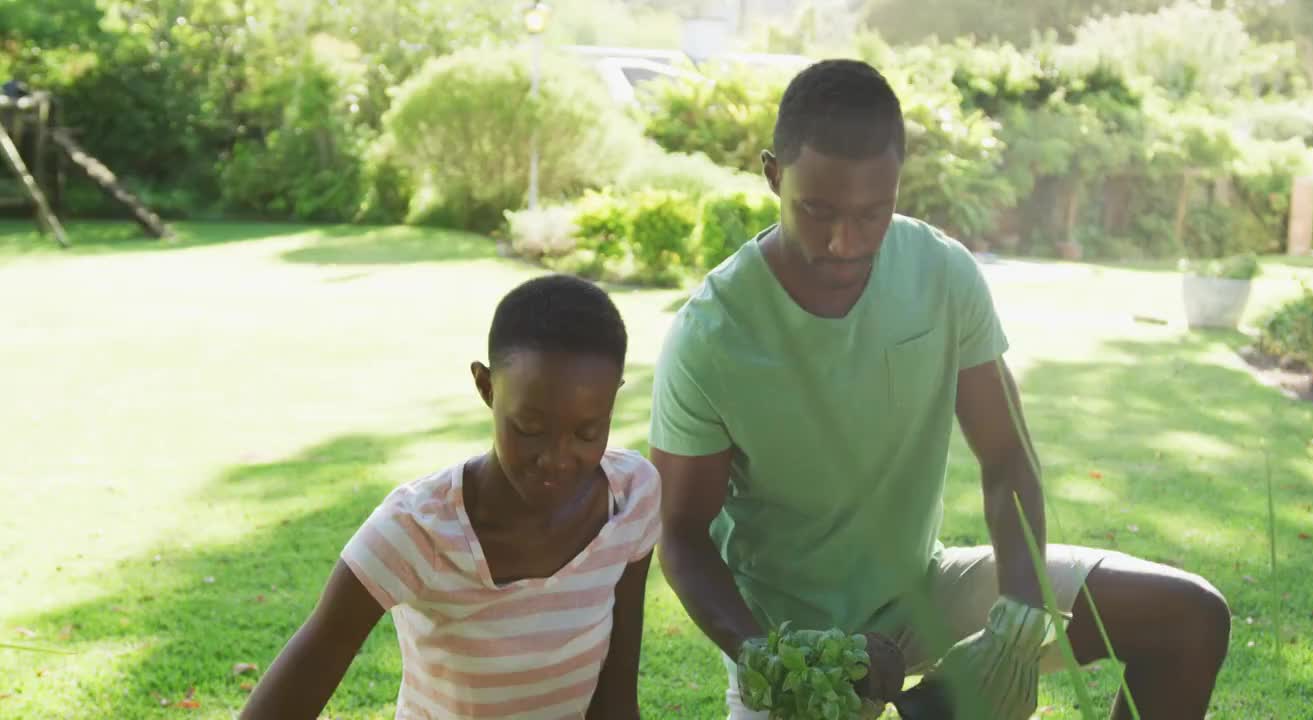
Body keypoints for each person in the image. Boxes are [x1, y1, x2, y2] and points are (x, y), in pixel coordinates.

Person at [649, 59, 1231, 720]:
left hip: (926, 590)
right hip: (799, 643)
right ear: (773, 175)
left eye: (872, 213)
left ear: (900, 183)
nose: (844, 242)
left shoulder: (942, 274)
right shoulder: (712, 334)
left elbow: (1006, 457)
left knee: (1189, 618)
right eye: (817, 211)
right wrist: (770, 656)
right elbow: (682, 535)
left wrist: (1016, 615)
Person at [241, 274, 660, 720]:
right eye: (530, 429)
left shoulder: (630, 499)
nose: (556, 459)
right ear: (486, 387)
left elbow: (616, 694)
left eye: (586, 432)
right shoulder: (416, 530)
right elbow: (295, 686)